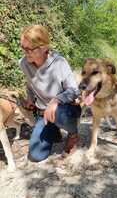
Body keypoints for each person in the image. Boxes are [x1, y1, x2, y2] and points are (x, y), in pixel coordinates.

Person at [19, 24, 81, 162]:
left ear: (44, 48)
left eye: (29, 49)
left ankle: (73, 135)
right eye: (23, 47)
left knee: (58, 112)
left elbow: (74, 90)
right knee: (36, 155)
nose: (25, 52)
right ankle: (55, 132)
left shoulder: (59, 62)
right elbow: (29, 84)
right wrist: (30, 98)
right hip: (44, 114)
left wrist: (56, 100)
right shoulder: (24, 63)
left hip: (65, 109)